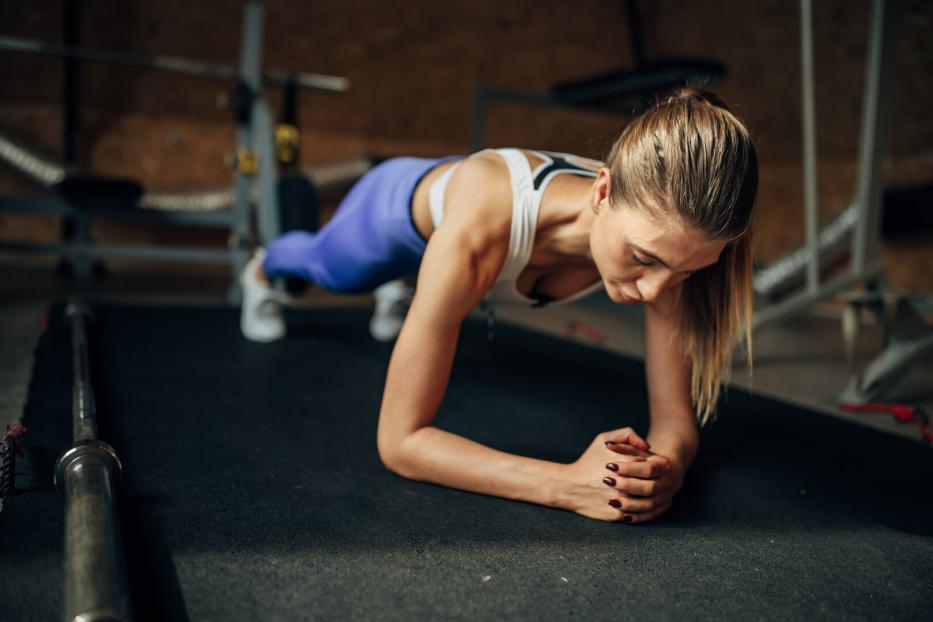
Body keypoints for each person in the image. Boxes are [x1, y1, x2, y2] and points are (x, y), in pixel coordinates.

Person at [240, 88, 758, 523]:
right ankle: (265, 266)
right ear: (602, 192)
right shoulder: (484, 224)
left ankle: (415, 292)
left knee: (438, 291)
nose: (655, 291)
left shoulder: (667, 235)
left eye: (687, 271)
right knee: (327, 268)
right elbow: (400, 442)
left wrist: (661, 470)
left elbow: (675, 421)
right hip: (394, 211)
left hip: (462, 244)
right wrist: (568, 484)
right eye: (643, 259)